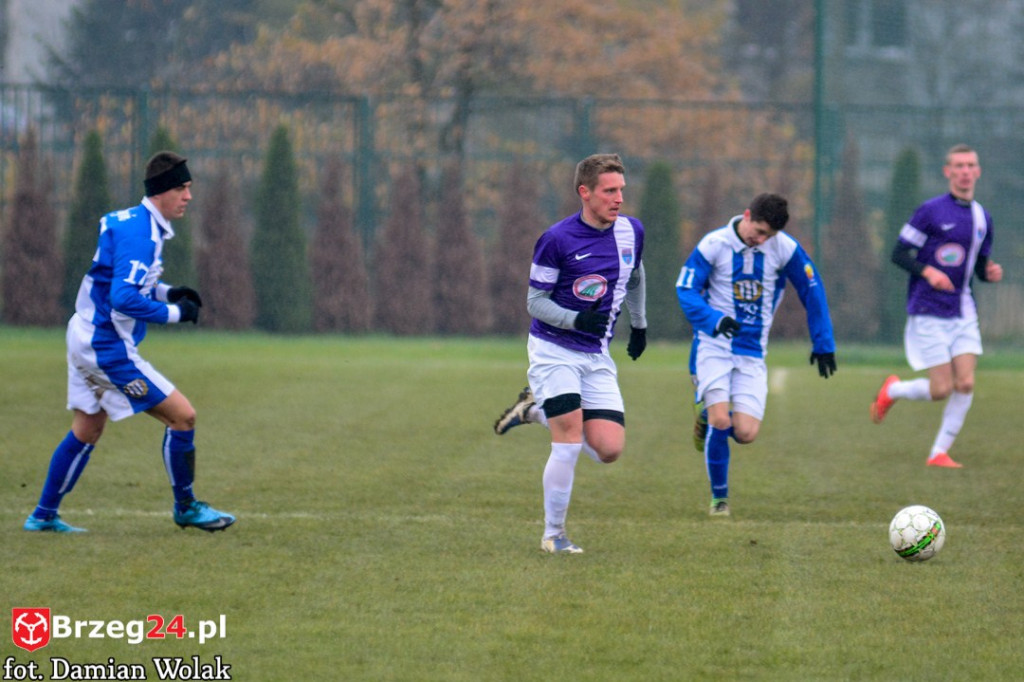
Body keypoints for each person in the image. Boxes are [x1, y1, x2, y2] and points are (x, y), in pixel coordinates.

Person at [23, 151, 235, 533]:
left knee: (87, 428)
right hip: (106, 346)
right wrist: (176, 314)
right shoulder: (143, 236)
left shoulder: (130, 221)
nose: (188, 196)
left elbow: (120, 280)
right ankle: (186, 507)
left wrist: (168, 293)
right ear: (160, 192)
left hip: (83, 331)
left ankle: (42, 515)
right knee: (183, 417)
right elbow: (123, 298)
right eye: (181, 188)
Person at [492, 153, 647, 554]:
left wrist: (640, 324)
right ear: (585, 193)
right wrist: (576, 320)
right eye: (609, 191)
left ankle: (533, 409)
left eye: (621, 191)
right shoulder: (557, 240)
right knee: (569, 440)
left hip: (597, 356)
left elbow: (636, 274)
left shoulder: (631, 232)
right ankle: (554, 535)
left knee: (610, 450)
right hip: (554, 349)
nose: (618, 199)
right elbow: (536, 301)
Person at [677, 193, 836, 516]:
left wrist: (823, 343)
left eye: (768, 236)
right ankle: (719, 500)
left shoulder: (784, 248)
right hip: (713, 345)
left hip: (752, 352)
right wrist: (714, 320)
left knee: (746, 433)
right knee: (723, 419)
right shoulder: (714, 244)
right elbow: (686, 289)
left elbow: (812, 288)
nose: (760, 239)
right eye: (759, 231)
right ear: (747, 215)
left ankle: (707, 419)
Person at [869, 144, 1002, 468]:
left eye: (971, 165)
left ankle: (938, 453)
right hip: (928, 309)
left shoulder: (982, 218)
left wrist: (990, 272)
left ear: (978, 171)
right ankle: (895, 390)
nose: (965, 171)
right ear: (947, 171)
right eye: (958, 165)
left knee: (966, 382)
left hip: (963, 309)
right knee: (941, 389)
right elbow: (899, 254)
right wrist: (927, 271)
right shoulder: (929, 211)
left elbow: (979, 268)